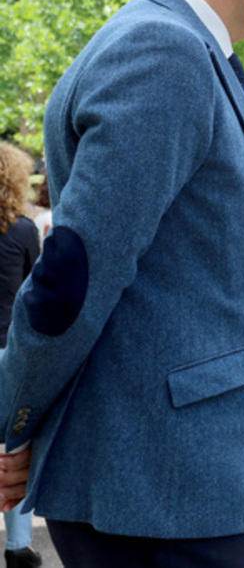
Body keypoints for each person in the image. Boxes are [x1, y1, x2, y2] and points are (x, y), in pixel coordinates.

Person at [0, 0, 244, 566]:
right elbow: (73, 277)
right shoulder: (161, 52)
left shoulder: (197, 54)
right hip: (160, 487)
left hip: (184, 480)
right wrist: (11, 418)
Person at [0, 145, 41, 568]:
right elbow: (35, 292)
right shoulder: (24, 231)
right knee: (14, 450)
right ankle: (18, 548)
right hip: (8, 351)